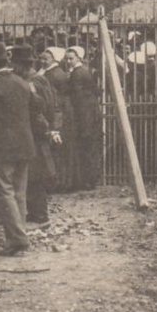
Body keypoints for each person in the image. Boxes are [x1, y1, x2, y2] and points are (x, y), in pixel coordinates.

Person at [0, 41, 36, 256]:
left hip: (2, 147)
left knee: (4, 192)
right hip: (25, 144)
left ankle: (18, 241)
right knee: (19, 193)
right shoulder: (21, 82)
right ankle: (20, 236)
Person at [12, 45, 59, 224]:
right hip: (36, 131)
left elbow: (39, 109)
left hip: (35, 133)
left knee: (36, 175)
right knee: (32, 174)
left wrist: (45, 129)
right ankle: (35, 211)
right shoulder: (37, 79)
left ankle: (40, 213)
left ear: (21, 65)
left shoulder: (33, 82)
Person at [38, 46, 74, 192]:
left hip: (58, 113)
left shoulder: (55, 75)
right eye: (41, 58)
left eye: (45, 59)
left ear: (54, 59)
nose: (42, 61)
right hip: (55, 111)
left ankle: (60, 182)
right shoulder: (50, 72)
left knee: (58, 149)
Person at [66, 46, 101, 191]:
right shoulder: (83, 72)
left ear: (79, 58)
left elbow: (78, 98)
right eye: (66, 58)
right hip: (89, 114)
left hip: (84, 116)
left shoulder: (77, 74)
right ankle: (90, 180)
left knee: (85, 148)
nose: (68, 61)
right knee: (88, 148)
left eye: (71, 58)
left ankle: (88, 181)